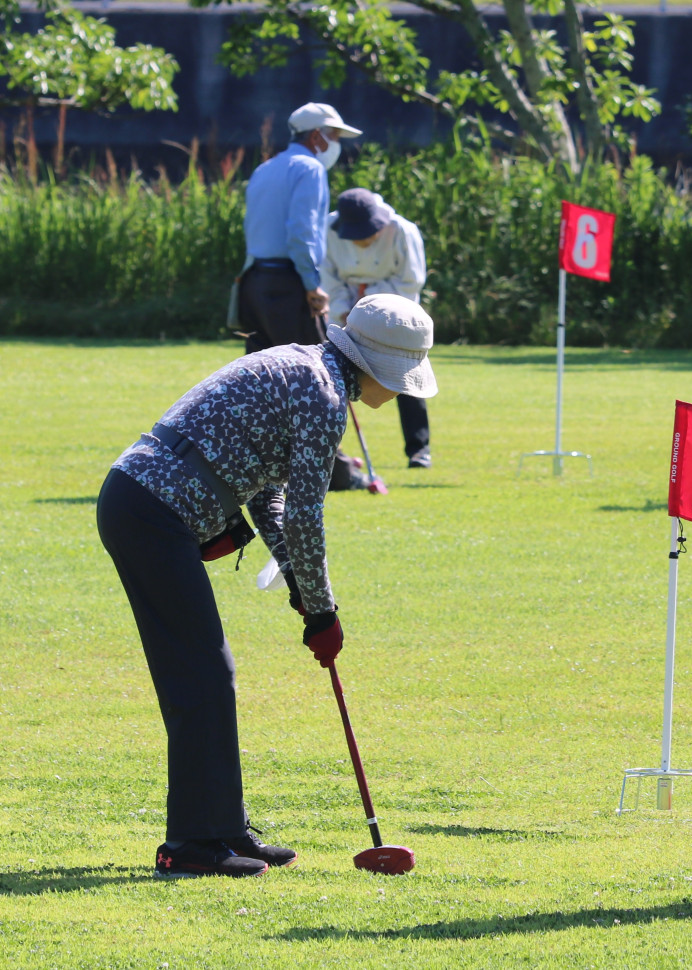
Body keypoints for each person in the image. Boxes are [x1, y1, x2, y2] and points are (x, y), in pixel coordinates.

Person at [97, 295, 438, 878]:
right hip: (151, 514)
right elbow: (307, 515)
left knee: (210, 672)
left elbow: (266, 494)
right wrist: (322, 610)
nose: (405, 389)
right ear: (378, 365)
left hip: (145, 506)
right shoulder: (324, 394)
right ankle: (189, 847)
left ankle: (225, 831)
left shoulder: (310, 370)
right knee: (202, 673)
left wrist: (306, 596)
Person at [236, 102, 365, 489]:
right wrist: (313, 286)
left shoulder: (265, 167)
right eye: (335, 137)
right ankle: (338, 474)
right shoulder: (309, 168)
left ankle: (257, 467)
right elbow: (301, 233)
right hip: (288, 285)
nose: (336, 145)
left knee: (261, 381)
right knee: (320, 381)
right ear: (316, 137)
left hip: (255, 283)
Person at [321, 188, 434, 469]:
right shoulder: (326, 228)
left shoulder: (403, 231)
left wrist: (370, 303)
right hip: (344, 311)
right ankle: (333, 450)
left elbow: (410, 282)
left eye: (366, 232)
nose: (361, 239)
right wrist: (345, 309)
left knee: (407, 379)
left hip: (395, 313)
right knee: (332, 379)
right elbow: (326, 275)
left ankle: (419, 449)